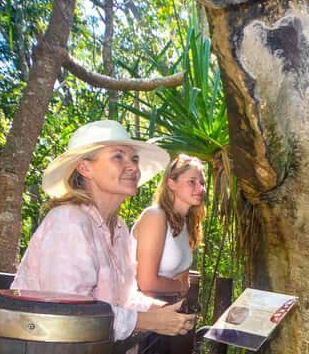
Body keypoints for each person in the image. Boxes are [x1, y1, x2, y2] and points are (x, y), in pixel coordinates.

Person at [11, 120, 195, 340]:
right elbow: (70, 315)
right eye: (118, 156)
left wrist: (160, 310)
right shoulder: (68, 222)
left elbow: (122, 299)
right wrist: (148, 321)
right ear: (85, 168)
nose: (133, 167)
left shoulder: (118, 228)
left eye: (134, 159)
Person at [132, 154, 207, 297]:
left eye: (202, 183)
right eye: (192, 182)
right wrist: (179, 286)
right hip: (138, 312)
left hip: (167, 307)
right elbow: (146, 283)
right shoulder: (155, 216)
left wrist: (180, 285)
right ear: (171, 183)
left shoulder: (188, 225)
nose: (200, 188)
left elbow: (183, 278)